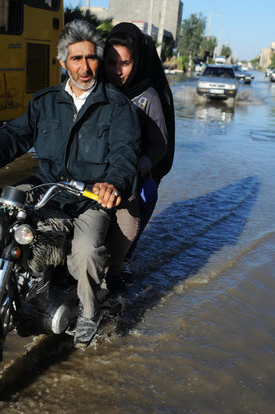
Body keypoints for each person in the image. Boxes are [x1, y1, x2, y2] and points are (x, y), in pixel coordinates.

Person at [0, 20, 141, 348]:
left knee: (85, 252)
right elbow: (14, 136)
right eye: (76, 59)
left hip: (87, 198)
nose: (85, 67)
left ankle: (88, 310)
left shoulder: (118, 107)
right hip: (44, 186)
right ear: (62, 63)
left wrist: (111, 184)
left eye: (92, 58)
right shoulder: (44, 102)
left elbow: (125, 155)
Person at [103, 23, 175, 291]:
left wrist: (139, 167)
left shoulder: (147, 97)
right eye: (111, 62)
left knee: (147, 193)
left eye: (125, 63)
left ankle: (126, 256)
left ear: (137, 62)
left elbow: (159, 146)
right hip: (95, 169)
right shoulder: (95, 88)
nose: (116, 71)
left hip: (133, 170)